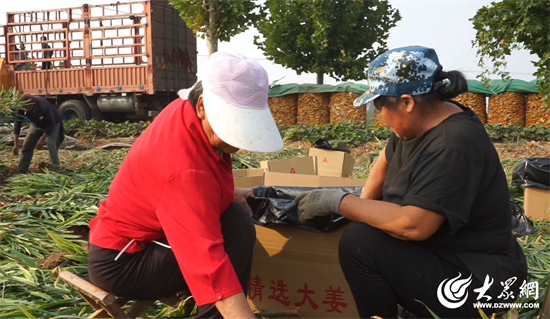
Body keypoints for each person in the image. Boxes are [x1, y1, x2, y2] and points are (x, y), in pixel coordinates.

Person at [295, 46, 527, 319]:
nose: (380, 116)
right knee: (366, 226)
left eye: (381, 106)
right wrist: (364, 202)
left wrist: (339, 202)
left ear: (407, 102)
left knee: (361, 243)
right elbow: (386, 159)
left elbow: (414, 225)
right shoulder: (418, 124)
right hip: (445, 256)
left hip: (478, 281)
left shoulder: (452, 145)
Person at [87, 52, 284, 319]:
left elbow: (198, 177)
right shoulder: (184, 172)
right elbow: (209, 267)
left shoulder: (187, 112)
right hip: (125, 263)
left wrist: (231, 192)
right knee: (232, 231)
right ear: (202, 106)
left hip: (148, 241)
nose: (237, 141)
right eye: (232, 125)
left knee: (235, 218)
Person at [13, 94, 62, 173]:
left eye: (27, 108)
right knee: (27, 145)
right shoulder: (22, 107)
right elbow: (17, 125)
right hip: (36, 123)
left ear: (32, 104)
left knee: (51, 144)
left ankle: (56, 170)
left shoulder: (43, 105)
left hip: (53, 123)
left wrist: (42, 139)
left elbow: (51, 124)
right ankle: (22, 171)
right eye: (23, 108)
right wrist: (15, 145)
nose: (25, 110)